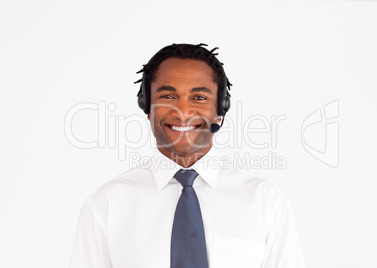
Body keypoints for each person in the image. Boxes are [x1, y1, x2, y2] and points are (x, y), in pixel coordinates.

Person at [69, 43, 305, 268]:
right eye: (168, 97)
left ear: (220, 110)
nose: (182, 112)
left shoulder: (266, 202)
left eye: (199, 97)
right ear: (147, 107)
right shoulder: (107, 205)